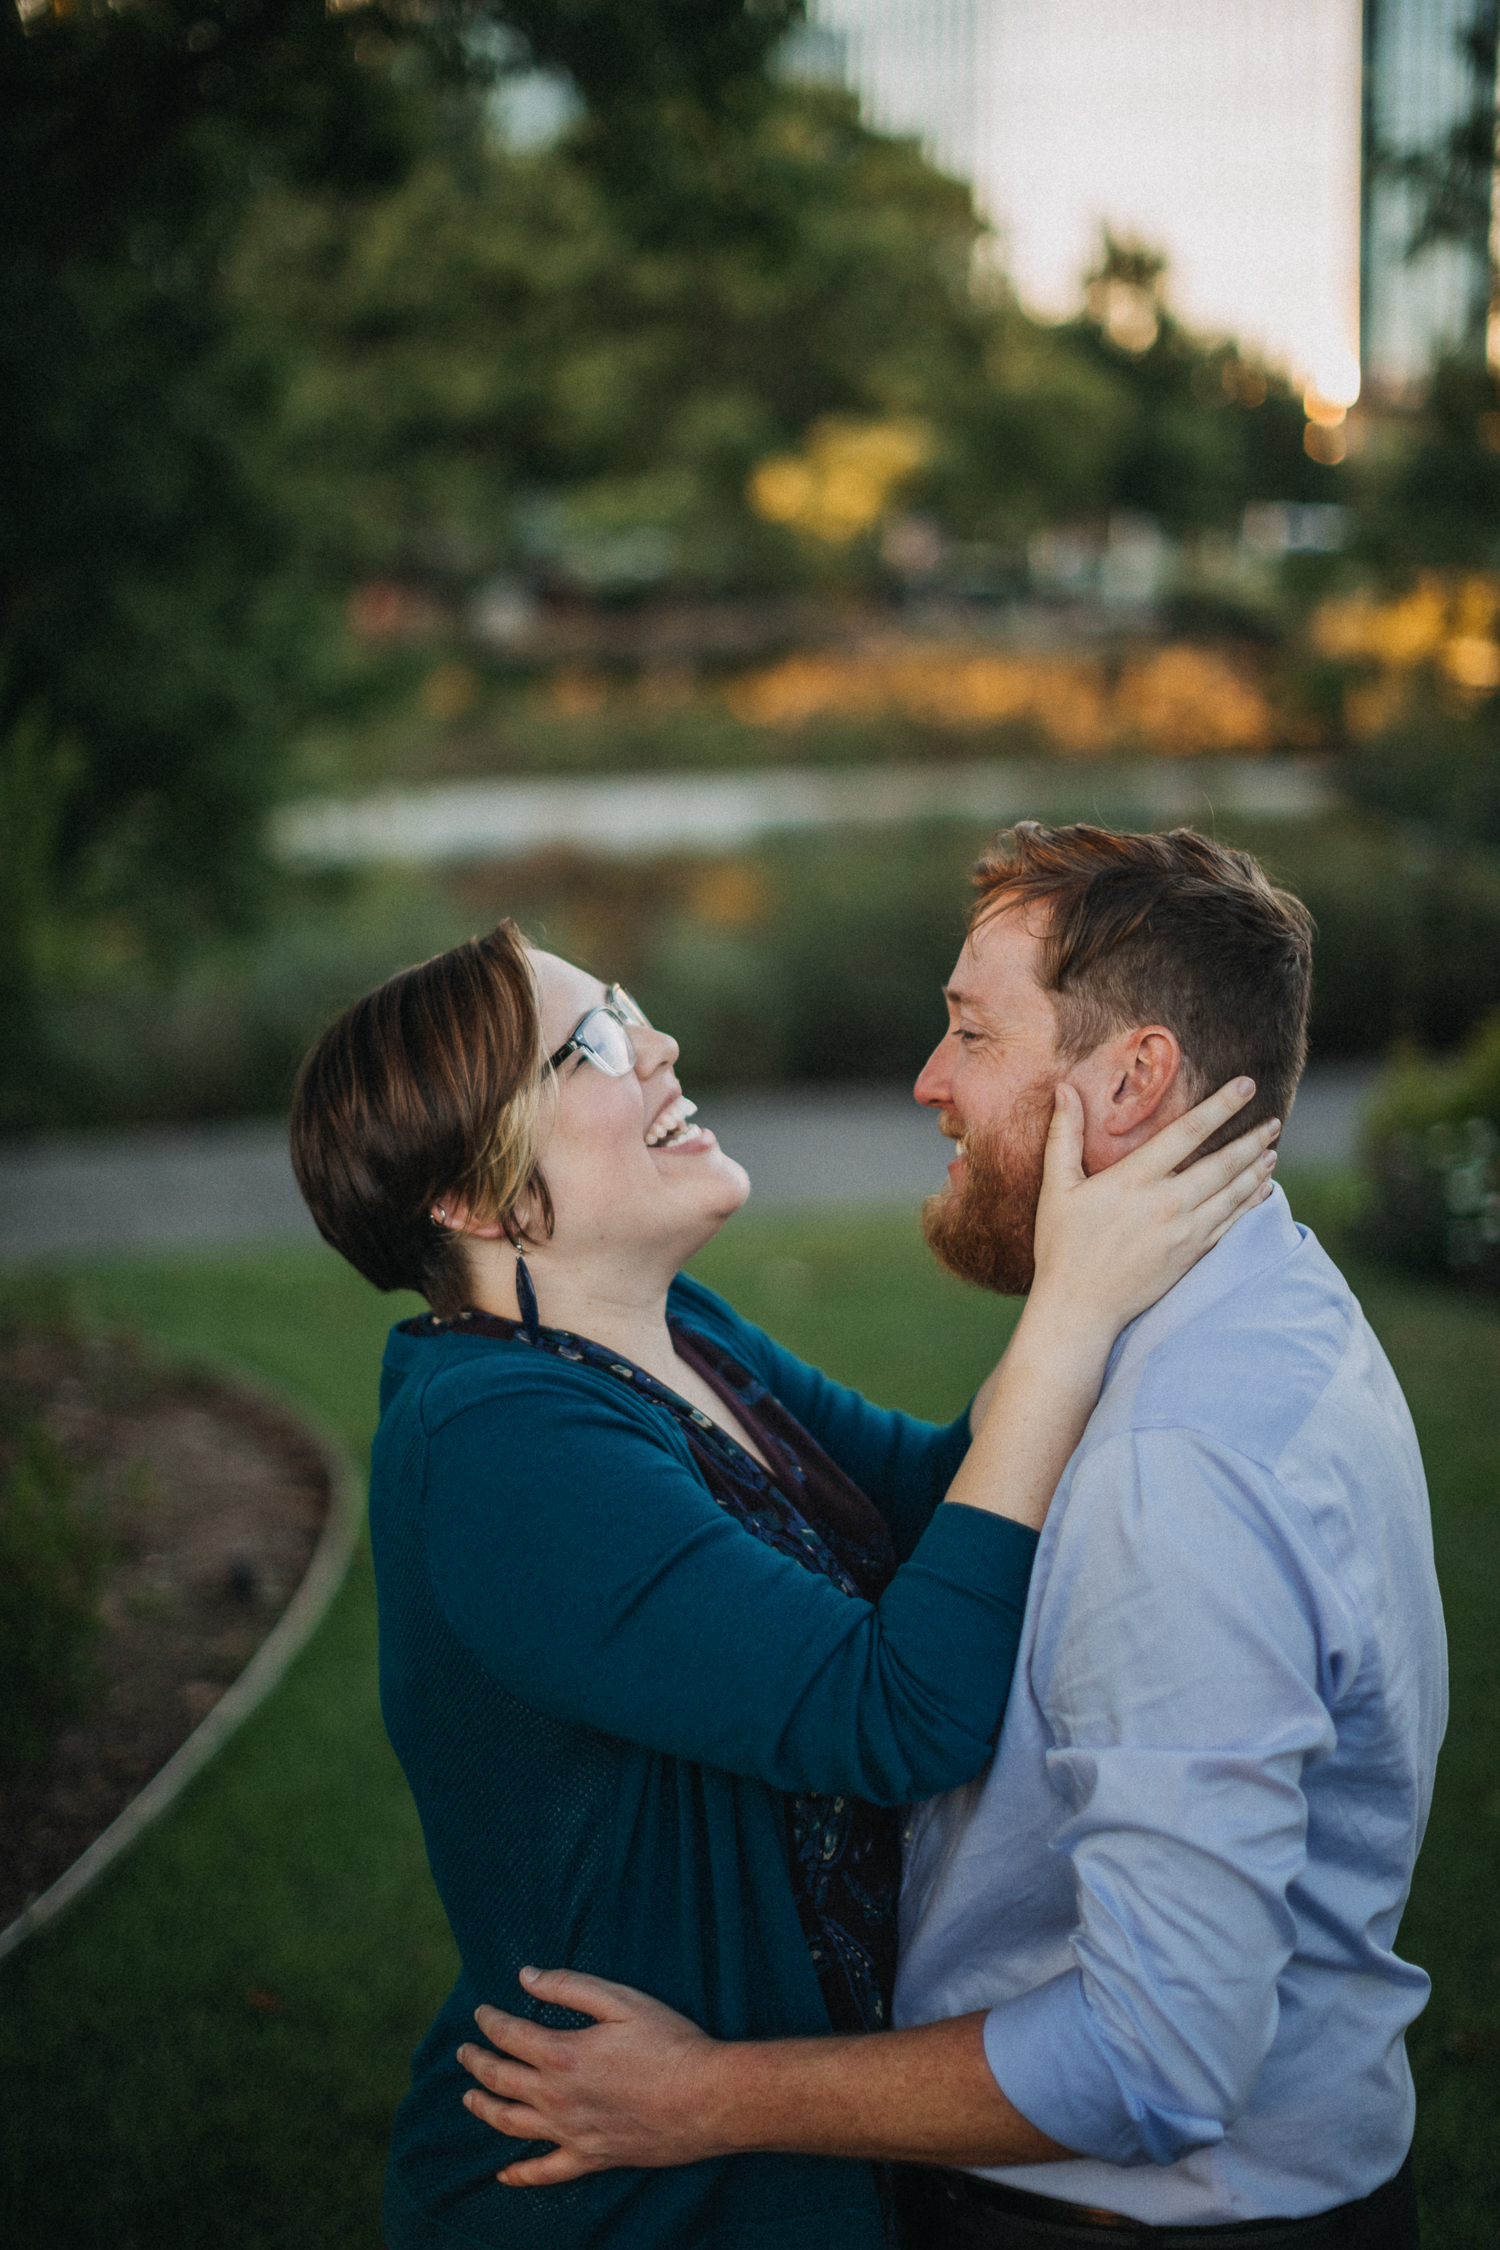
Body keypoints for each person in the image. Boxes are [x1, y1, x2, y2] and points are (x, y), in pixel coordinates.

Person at [456, 825, 1448, 2250]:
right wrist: (1065, 1315)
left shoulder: (1179, 1469)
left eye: (972, 1033)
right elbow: (942, 1486)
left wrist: (707, 2097)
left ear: (1132, 1077)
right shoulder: (1253, 1299)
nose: (929, 1081)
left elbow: (1152, 2058)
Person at [288, 909, 1276, 2250]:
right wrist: (1072, 1313)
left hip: (763, 2157)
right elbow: (898, 1715)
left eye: (626, 1005)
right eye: (590, 1044)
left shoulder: (670, 1328)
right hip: (629, 2193)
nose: (658, 1044)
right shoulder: (497, 1448)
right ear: (474, 1194)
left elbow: (937, 1494)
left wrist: (1084, 1243)